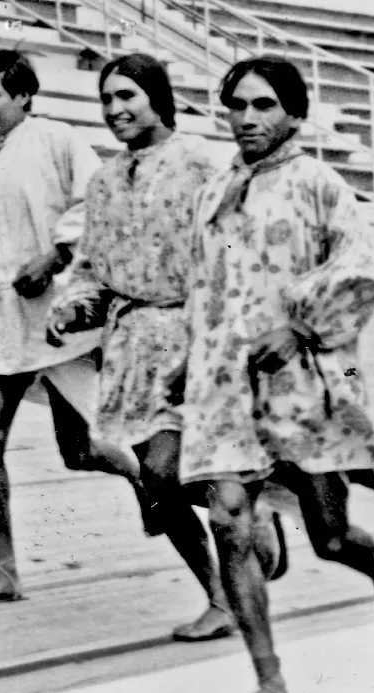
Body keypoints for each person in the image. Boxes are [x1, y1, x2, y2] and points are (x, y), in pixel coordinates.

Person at [170, 55, 374, 693]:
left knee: (331, 537)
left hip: (303, 382)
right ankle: (271, 684)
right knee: (229, 522)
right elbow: (202, 284)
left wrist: (300, 326)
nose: (247, 118)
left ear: (294, 114)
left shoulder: (319, 184)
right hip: (224, 382)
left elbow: (361, 270)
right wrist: (186, 359)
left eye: (263, 105)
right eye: (237, 105)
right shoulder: (215, 191)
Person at [46, 54, 288, 642]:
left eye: (126, 95)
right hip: (132, 349)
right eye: (107, 99)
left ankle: (248, 521)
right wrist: (76, 304)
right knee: (157, 485)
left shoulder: (203, 162)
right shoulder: (104, 182)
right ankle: (220, 591)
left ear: (157, 97)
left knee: (167, 468)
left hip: (200, 338)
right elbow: (93, 267)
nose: (115, 109)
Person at [0, 48, 144, 606]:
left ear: (23, 96)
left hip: (64, 319)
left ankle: (145, 481)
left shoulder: (58, 140)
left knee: (80, 451)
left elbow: (96, 203)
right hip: (1, 318)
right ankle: (4, 569)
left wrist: (55, 257)